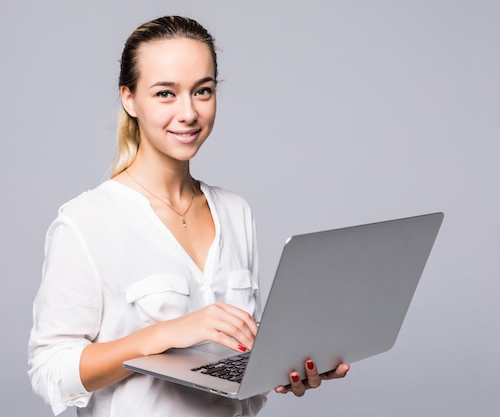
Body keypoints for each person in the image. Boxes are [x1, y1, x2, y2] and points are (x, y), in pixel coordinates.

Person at [28, 15, 349, 417]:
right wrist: (161, 336)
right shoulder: (86, 222)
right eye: (165, 93)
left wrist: (287, 364)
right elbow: (49, 370)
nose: (189, 113)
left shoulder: (236, 211)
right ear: (129, 98)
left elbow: (246, 363)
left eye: (203, 91)